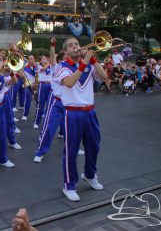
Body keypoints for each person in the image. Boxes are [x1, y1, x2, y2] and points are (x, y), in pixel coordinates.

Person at [58, 37, 108, 201]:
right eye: (71, 45)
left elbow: (104, 76)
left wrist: (92, 59)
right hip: (72, 113)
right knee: (71, 150)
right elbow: (70, 82)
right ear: (65, 51)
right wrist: (85, 62)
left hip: (90, 112)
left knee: (94, 146)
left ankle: (90, 174)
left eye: (77, 44)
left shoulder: (89, 65)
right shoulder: (62, 67)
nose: (76, 47)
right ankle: (69, 185)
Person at [33, 38, 65, 163]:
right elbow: (52, 57)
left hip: (70, 103)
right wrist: (52, 45)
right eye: (64, 58)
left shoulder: (74, 68)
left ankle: (73, 148)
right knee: (50, 127)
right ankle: (40, 151)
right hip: (57, 101)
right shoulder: (56, 67)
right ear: (60, 60)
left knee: (72, 130)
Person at [33, 55, 51, 129]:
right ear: (40, 61)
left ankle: (47, 123)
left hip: (50, 85)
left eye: (46, 58)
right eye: (43, 59)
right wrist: (49, 62)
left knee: (49, 106)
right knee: (41, 105)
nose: (45, 59)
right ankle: (36, 121)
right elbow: (43, 69)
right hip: (42, 85)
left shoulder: (51, 66)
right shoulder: (39, 66)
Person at [22, 55, 37, 121]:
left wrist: (36, 84)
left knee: (39, 101)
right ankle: (25, 114)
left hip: (37, 86)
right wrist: (30, 84)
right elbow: (24, 78)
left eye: (32, 59)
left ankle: (40, 113)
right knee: (27, 101)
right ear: (28, 60)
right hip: (29, 86)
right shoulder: (25, 68)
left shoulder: (38, 67)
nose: (31, 60)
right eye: (30, 59)